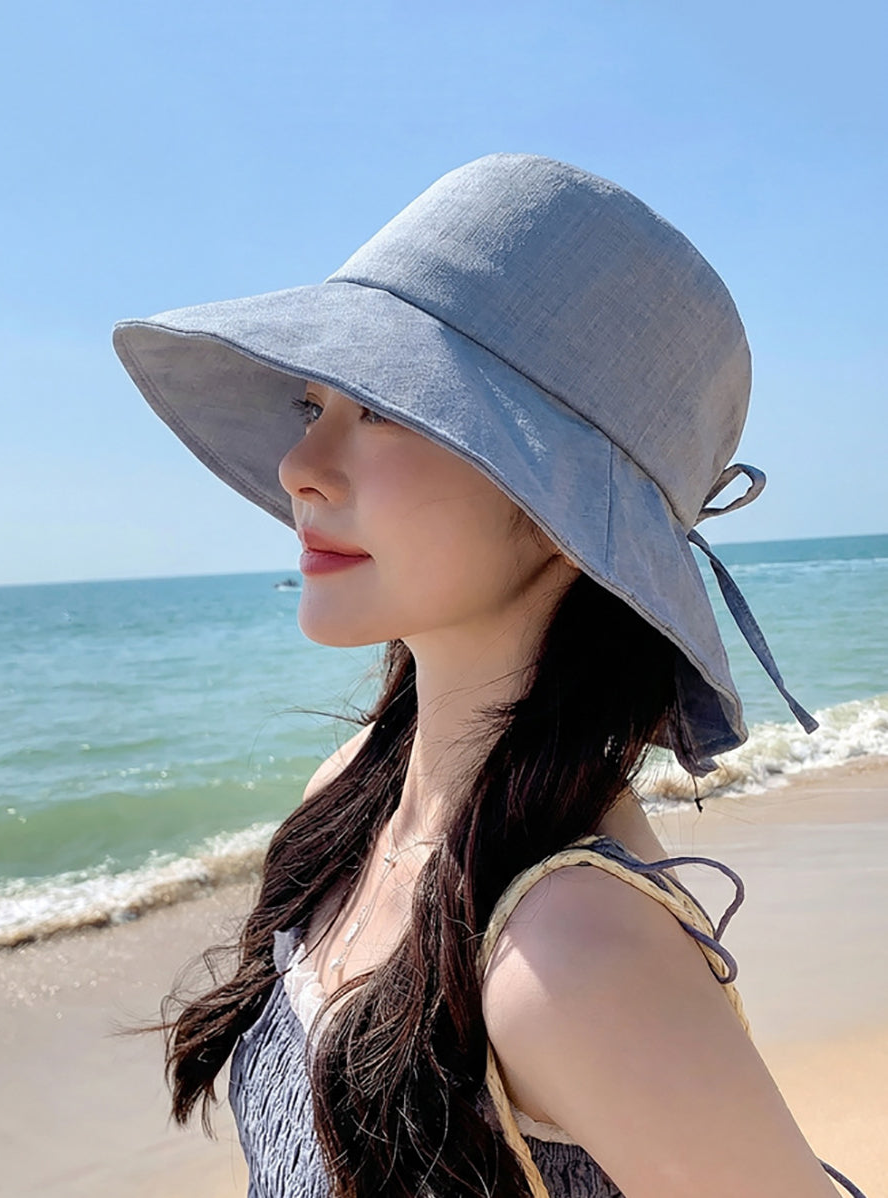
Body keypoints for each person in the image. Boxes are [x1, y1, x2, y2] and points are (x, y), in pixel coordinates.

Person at [114, 154, 867, 1197]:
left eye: (384, 408)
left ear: (562, 500)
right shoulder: (350, 795)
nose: (300, 468)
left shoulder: (571, 949)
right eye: (311, 405)